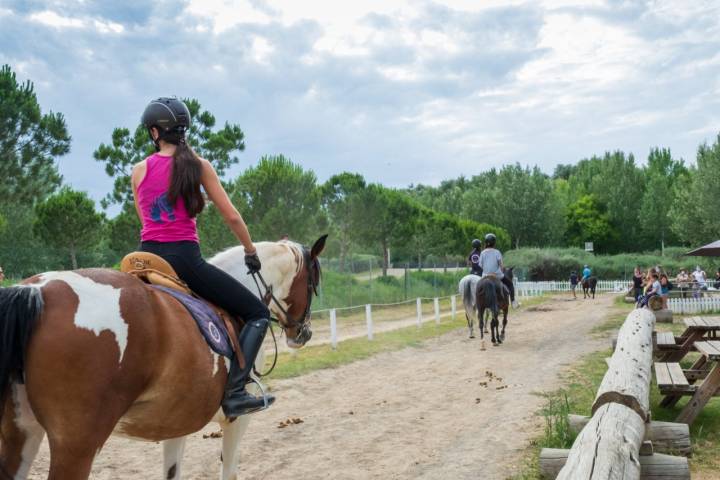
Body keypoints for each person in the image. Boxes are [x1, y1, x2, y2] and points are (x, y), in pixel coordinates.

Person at [131, 97, 273, 418]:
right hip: (184, 260)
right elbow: (233, 218)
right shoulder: (199, 166)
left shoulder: (139, 170)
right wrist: (250, 251)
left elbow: (146, 222)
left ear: (155, 132)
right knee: (258, 313)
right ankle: (235, 391)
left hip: (144, 258)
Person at [478, 233, 518, 308]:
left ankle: (476, 304)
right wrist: (502, 270)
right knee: (510, 284)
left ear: (486, 242)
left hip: (485, 276)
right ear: (494, 242)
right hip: (497, 276)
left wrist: (487, 271)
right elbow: (501, 266)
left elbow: (480, 265)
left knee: (478, 287)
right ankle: (513, 302)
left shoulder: (482, 253)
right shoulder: (497, 252)